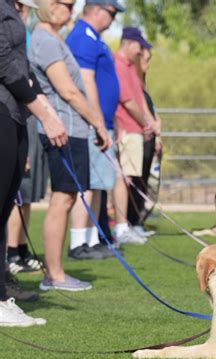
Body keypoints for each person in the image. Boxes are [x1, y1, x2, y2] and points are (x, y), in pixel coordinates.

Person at [29, 0, 110, 292]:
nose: (72, 10)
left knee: (66, 198)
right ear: (49, 5)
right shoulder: (45, 41)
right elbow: (68, 91)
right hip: (62, 131)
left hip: (73, 130)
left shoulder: (53, 39)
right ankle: (55, 274)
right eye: (67, 4)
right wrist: (98, 124)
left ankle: (56, 272)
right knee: (61, 199)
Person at [0, 0, 67, 326]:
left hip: (15, 113)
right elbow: (4, 62)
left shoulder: (12, 9)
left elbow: (21, 64)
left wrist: (46, 108)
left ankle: (1, 297)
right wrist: (43, 113)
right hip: (4, 108)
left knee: (4, 210)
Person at [66, 0, 125, 260]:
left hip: (104, 124)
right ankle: (79, 242)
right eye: (111, 13)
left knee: (99, 184)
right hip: (92, 123)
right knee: (87, 184)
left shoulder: (95, 39)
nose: (113, 19)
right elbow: (85, 81)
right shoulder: (82, 37)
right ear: (97, 9)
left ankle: (93, 239)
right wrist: (98, 122)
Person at [113, 27, 160, 245]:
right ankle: (123, 227)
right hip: (127, 129)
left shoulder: (130, 68)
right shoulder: (119, 65)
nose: (141, 52)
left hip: (136, 130)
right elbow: (127, 101)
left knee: (130, 178)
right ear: (130, 43)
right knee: (124, 178)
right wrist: (146, 123)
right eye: (140, 47)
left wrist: (149, 122)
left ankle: (130, 224)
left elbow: (139, 99)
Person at [127, 45, 162, 237]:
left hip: (148, 136)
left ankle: (137, 220)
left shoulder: (142, 84)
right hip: (137, 135)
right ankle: (130, 222)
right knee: (135, 179)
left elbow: (149, 106)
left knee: (143, 180)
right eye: (145, 60)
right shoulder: (130, 80)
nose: (147, 64)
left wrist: (157, 132)